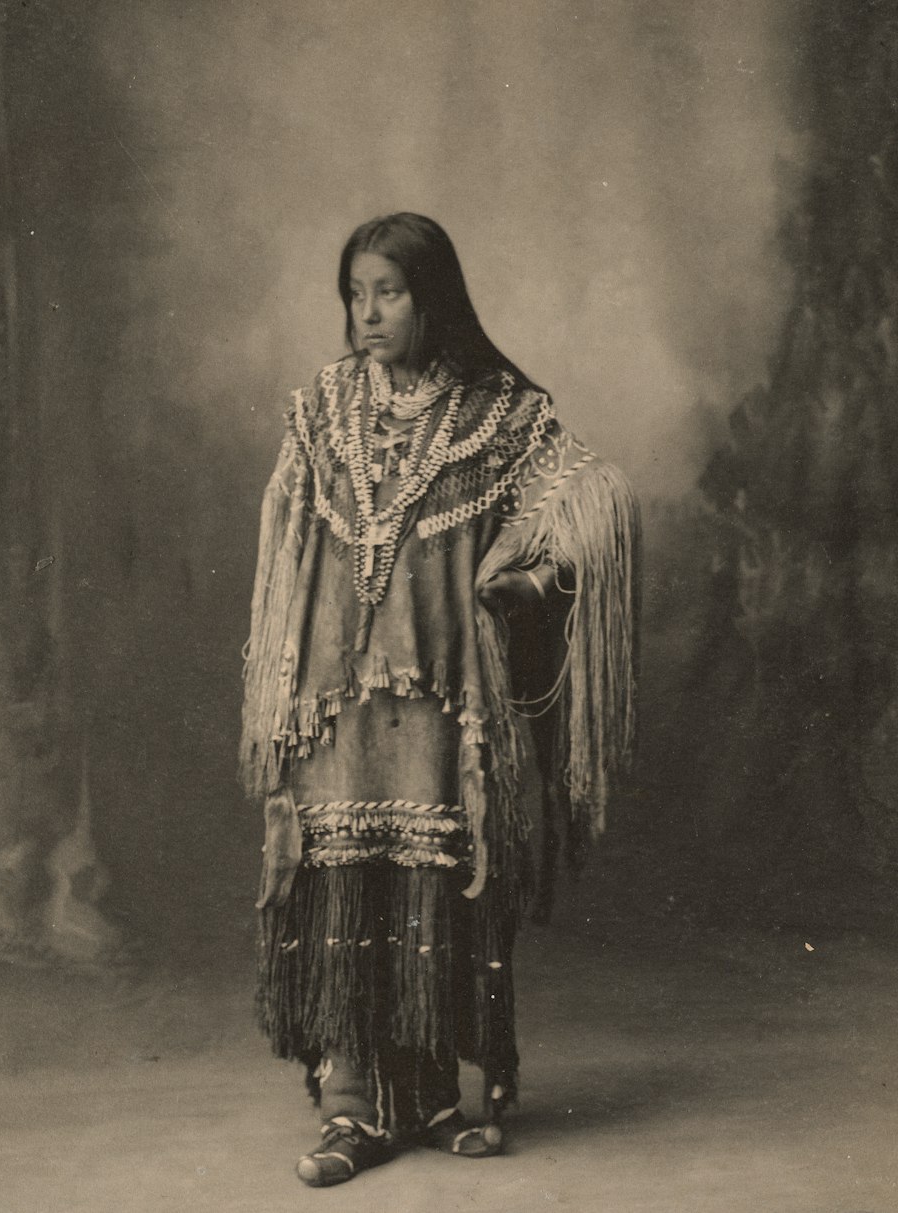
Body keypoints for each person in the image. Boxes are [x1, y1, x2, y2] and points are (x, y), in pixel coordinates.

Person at [240, 213, 638, 1187]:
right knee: (347, 884)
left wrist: (532, 576)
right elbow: (285, 551)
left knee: (438, 887)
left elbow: (587, 496)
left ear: (433, 297)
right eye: (355, 293)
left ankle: (438, 1095)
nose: (365, 312)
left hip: (449, 712)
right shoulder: (325, 409)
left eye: (387, 292)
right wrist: (282, 683)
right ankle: (352, 1110)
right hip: (339, 711)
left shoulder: (499, 413)